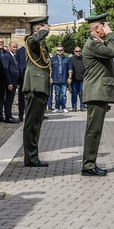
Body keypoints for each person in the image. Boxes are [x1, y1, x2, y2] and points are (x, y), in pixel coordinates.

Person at [81, 13, 114, 177]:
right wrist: (111, 35)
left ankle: (90, 163)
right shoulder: (93, 44)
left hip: (98, 92)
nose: (107, 29)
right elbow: (111, 52)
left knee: (95, 130)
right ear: (97, 28)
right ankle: (88, 165)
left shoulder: (96, 43)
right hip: (95, 92)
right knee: (93, 131)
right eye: (104, 26)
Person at [22, 17, 51, 167]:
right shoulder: (31, 40)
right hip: (34, 85)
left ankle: (32, 157)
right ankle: (31, 158)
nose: (46, 27)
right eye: (42, 26)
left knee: (36, 124)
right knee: (31, 124)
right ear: (35, 29)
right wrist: (43, 32)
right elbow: (33, 41)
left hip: (40, 86)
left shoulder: (40, 44)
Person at [1, 41, 20, 123]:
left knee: (11, 99)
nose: (15, 49)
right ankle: (8, 117)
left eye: (16, 47)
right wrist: (9, 83)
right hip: (10, 82)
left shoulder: (13, 56)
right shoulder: (7, 56)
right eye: (13, 47)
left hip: (14, 82)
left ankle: (10, 116)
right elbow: (6, 70)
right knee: (8, 100)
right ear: (9, 47)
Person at [50, 46, 72, 113]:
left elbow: (70, 69)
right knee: (57, 94)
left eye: (61, 50)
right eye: (58, 50)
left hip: (64, 79)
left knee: (63, 94)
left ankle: (64, 107)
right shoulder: (52, 59)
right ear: (56, 51)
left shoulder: (67, 59)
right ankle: (57, 107)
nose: (59, 51)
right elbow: (50, 69)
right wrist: (50, 78)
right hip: (56, 79)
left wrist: (70, 78)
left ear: (63, 50)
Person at [11, 42, 27, 121]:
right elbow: (17, 67)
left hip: (32, 80)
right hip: (22, 79)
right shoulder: (20, 51)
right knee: (21, 98)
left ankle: (29, 116)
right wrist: (17, 82)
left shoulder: (35, 50)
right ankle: (21, 115)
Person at [69, 47, 86, 111]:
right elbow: (70, 68)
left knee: (82, 94)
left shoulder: (84, 59)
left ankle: (82, 107)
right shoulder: (71, 59)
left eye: (79, 51)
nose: (78, 52)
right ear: (74, 52)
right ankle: (74, 107)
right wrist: (69, 78)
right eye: (76, 51)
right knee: (74, 94)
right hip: (74, 80)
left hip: (82, 79)